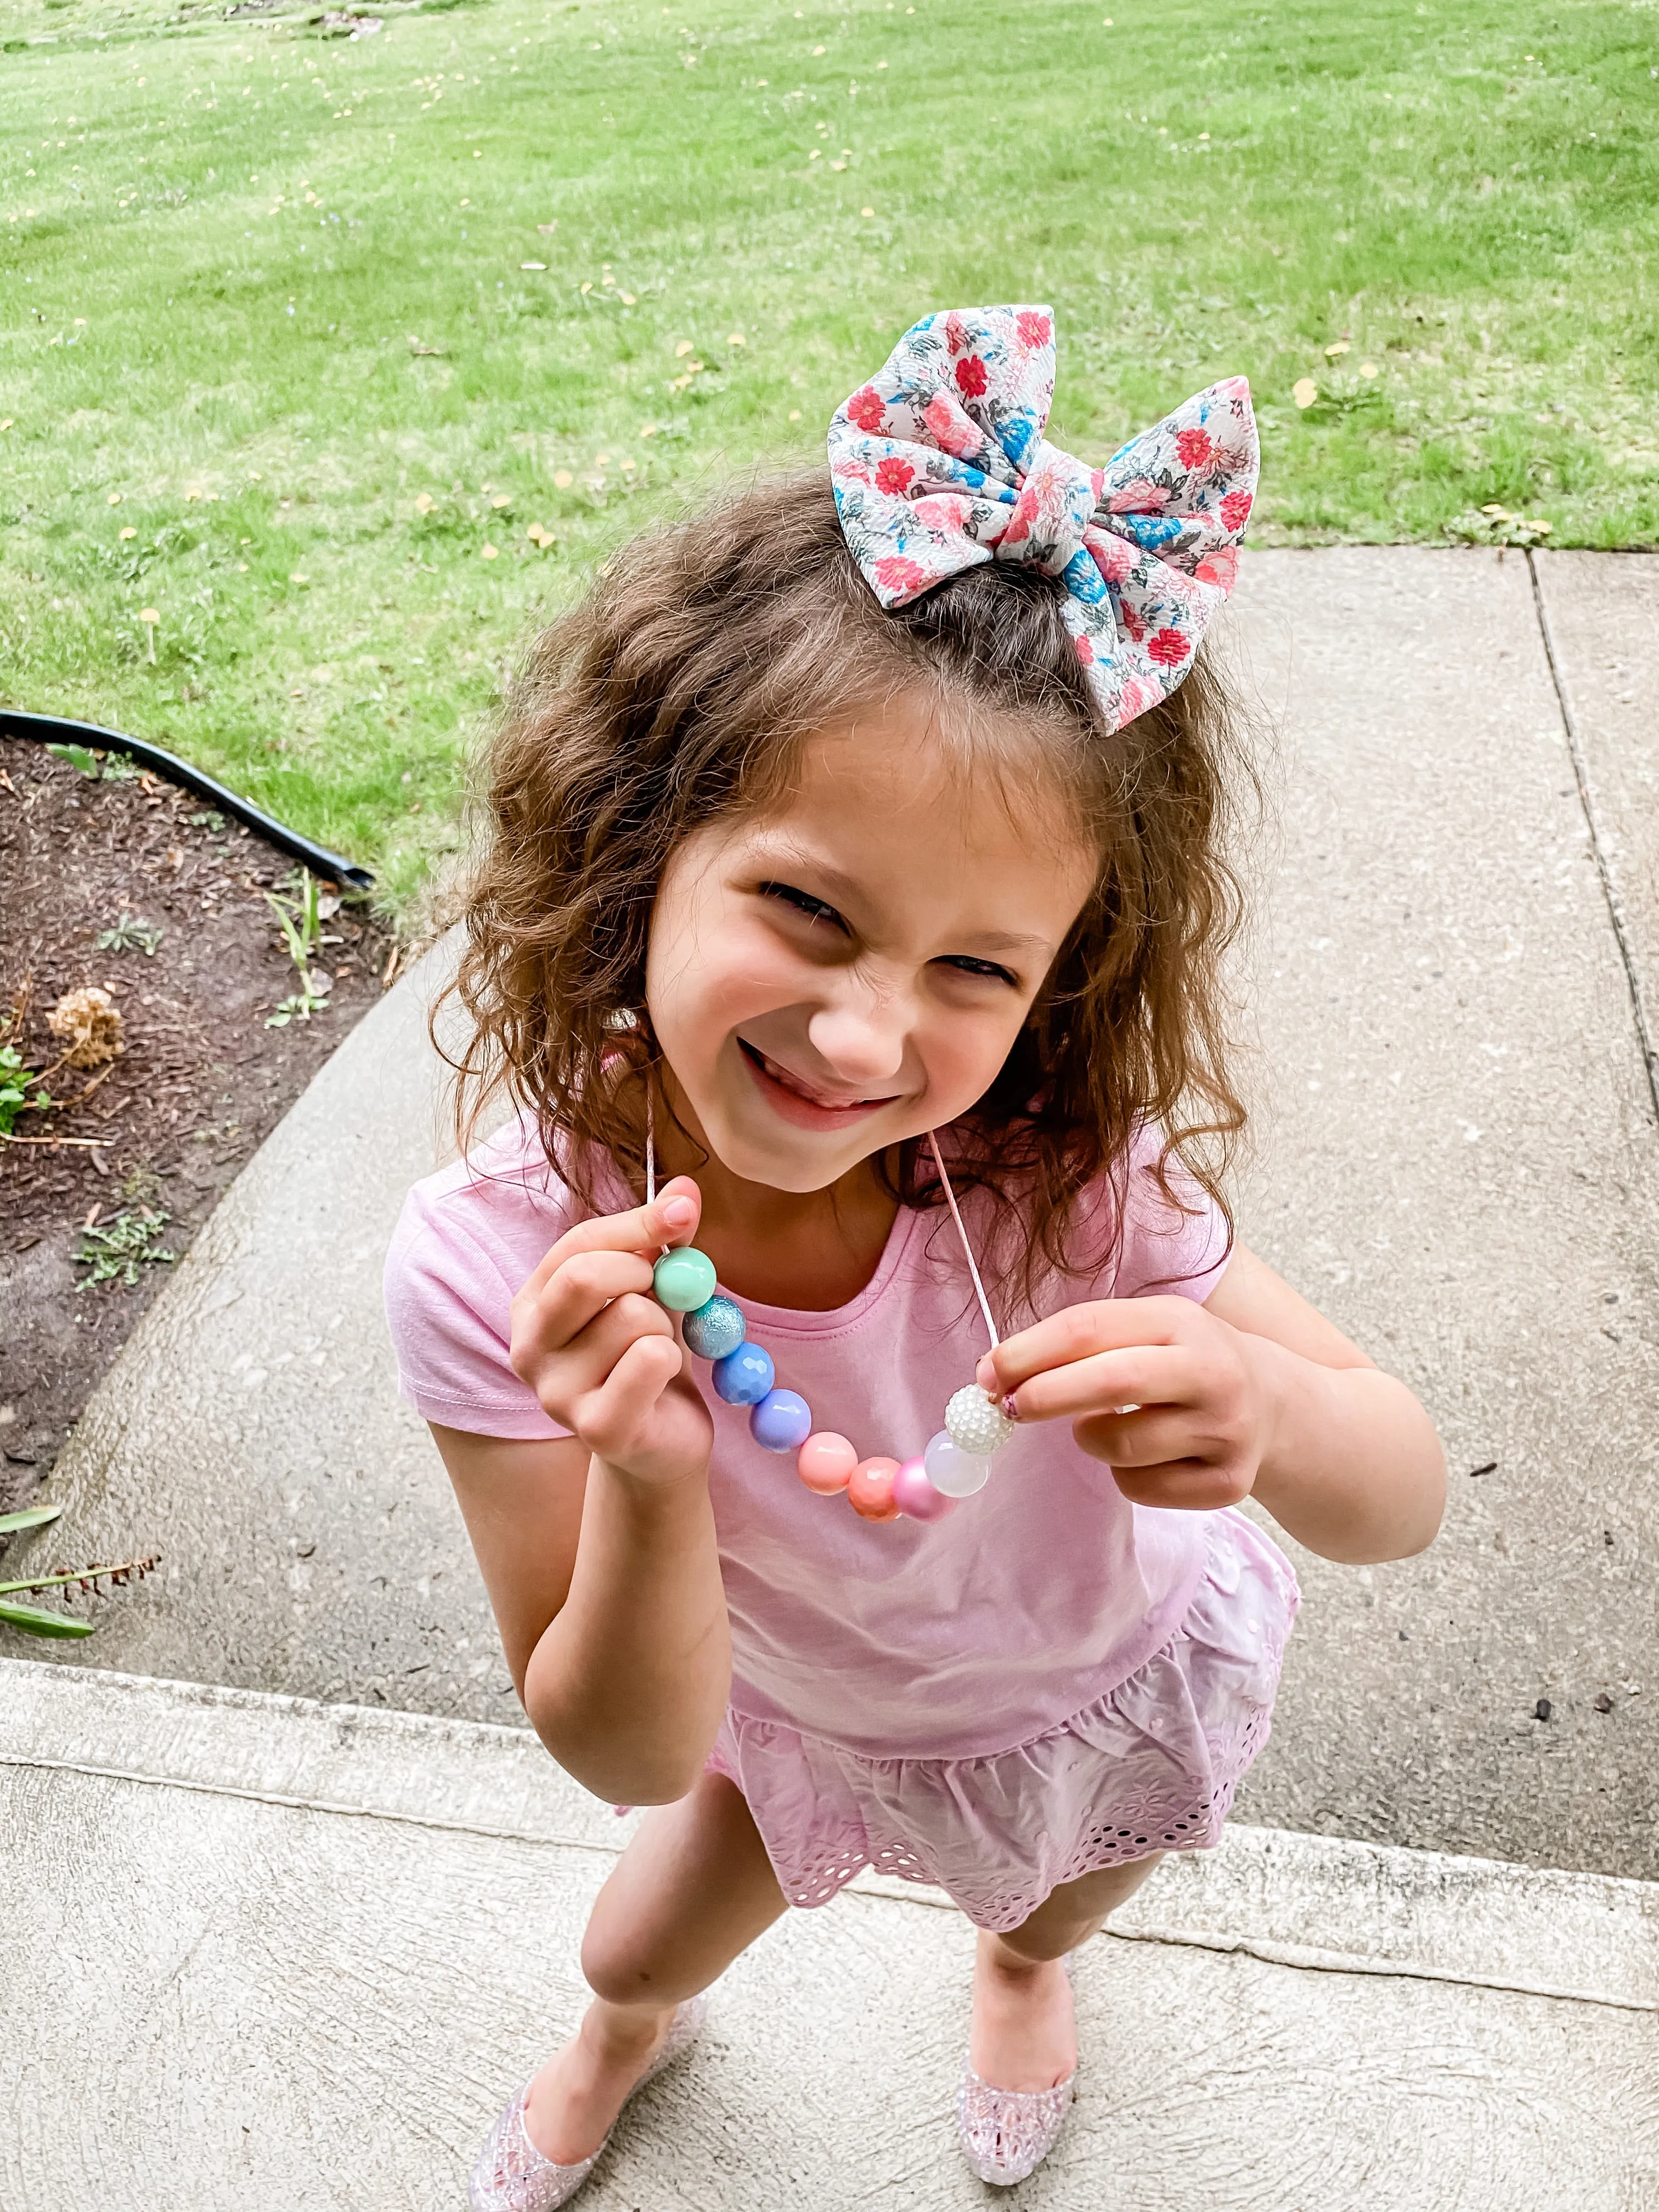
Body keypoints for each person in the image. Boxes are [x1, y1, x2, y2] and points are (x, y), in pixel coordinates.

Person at [385, 305, 1446, 2207]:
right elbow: (624, 1749)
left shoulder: (1061, 1189)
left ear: (1058, 991)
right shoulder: (505, 1263)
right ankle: (629, 2030)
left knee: (1060, 1894)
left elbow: (1399, 1499)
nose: (868, 1041)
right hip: (795, 1721)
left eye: (975, 968)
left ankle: (1020, 1966)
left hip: (1103, 1680)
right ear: (638, 860)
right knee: (632, 1939)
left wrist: (1269, 1406)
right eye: (805, 906)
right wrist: (649, 1472)